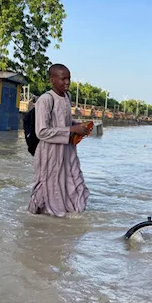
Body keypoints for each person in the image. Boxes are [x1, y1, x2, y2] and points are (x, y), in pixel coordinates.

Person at [28, 63, 93, 217]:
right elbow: (42, 132)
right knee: (48, 185)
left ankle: (69, 215)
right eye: (63, 79)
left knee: (73, 180)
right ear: (52, 80)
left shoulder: (67, 97)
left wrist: (78, 126)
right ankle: (41, 219)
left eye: (69, 79)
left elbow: (64, 122)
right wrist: (71, 130)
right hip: (50, 152)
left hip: (67, 150)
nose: (67, 82)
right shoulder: (45, 100)